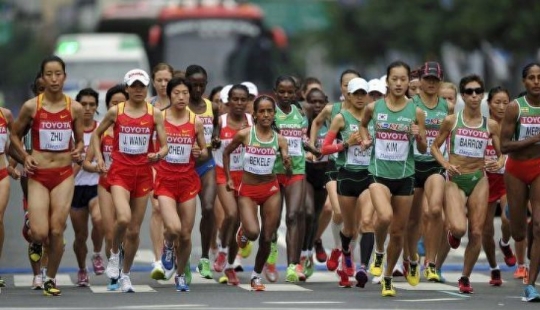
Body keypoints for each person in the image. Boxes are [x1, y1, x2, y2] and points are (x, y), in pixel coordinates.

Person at [10, 55, 85, 296]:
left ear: (65, 76)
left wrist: (79, 148)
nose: (53, 79)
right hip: (39, 175)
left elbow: (81, 140)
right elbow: (14, 135)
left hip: (63, 175)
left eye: (58, 74)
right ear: (42, 77)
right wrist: (24, 156)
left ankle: (50, 278)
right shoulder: (32, 106)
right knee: (40, 233)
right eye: (49, 74)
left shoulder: (75, 108)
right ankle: (35, 241)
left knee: (56, 230)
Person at [91, 69, 168, 293]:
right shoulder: (116, 111)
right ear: (127, 88)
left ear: (147, 88)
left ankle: (125, 274)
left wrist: (159, 154)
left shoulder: (155, 114)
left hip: (142, 175)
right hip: (120, 174)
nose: (138, 90)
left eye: (142, 86)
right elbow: (97, 134)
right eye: (133, 86)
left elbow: (164, 145)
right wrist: (98, 158)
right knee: (123, 218)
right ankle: (114, 255)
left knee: (134, 231)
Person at [359, 61, 427, 297]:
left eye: (403, 79)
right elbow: (362, 126)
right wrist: (366, 140)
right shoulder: (374, 107)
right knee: (385, 216)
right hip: (378, 172)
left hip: (405, 175)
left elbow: (424, 145)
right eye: (394, 79)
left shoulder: (416, 112)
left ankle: (387, 277)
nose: (398, 83)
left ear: (409, 82)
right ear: (387, 81)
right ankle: (378, 251)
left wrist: (418, 137)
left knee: (398, 232)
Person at [431, 74, 503, 294]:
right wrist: (445, 164)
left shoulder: (490, 125)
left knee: (477, 231)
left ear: (482, 95)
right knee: (460, 228)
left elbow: (502, 155)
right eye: (469, 91)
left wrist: (497, 162)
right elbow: (435, 146)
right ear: (463, 95)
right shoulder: (452, 120)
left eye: (478, 91)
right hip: (455, 179)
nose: (474, 95)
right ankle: (452, 233)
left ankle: (464, 277)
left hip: (479, 179)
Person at [226, 95, 291, 291]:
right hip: (248, 190)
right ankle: (243, 231)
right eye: (261, 111)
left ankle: (255, 276)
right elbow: (227, 152)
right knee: (253, 232)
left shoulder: (280, 139)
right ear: (254, 114)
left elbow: (288, 168)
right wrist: (229, 177)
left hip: (271, 189)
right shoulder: (245, 134)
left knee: (267, 236)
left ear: (274, 114)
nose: (265, 115)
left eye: (269, 111)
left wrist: (287, 164)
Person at [155, 77, 207, 292]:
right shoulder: (159, 117)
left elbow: (204, 151)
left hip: (187, 182)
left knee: (185, 234)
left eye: (185, 93)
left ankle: (180, 275)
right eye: (176, 93)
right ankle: (167, 245)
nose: (181, 97)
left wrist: (199, 151)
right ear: (169, 94)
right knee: (174, 228)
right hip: (165, 180)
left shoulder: (195, 121)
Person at [321, 78, 374, 288]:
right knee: (349, 229)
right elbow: (324, 149)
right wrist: (346, 144)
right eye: (356, 94)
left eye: (364, 93)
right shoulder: (341, 118)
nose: (361, 98)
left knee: (367, 222)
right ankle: (345, 252)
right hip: (347, 177)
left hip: (369, 177)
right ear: (348, 96)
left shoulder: (375, 117)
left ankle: (362, 267)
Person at [405, 62, 453, 285]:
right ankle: (411, 260)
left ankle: (431, 264)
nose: (431, 83)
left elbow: (450, 136)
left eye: (435, 80)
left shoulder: (446, 106)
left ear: (440, 81)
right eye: (428, 79)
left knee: (434, 210)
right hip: (413, 163)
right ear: (421, 81)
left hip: (435, 164)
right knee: (413, 219)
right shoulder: (410, 104)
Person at [309, 69, 361, 271]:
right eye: (347, 84)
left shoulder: (366, 112)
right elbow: (316, 122)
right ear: (341, 87)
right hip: (334, 166)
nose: (350, 88)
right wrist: (313, 146)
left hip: (358, 168)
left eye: (355, 84)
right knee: (336, 210)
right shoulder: (333, 109)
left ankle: (343, 253)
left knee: (353, 220)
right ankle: (339, 249)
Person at [500, 63, 540, 301]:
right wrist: (534, 139)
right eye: (532, 78)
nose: (537, 81)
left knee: (538, 225)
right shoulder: (516, 108)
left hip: (538, 168)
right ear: (524, 82)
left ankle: (531, 283)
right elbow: (504, 146)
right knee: (518, 233)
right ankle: (514, 213)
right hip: (516, 169)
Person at [82, 84, 128, 291]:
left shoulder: (136, 128)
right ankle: (114, 272)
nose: (118, 107)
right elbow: (86, 162)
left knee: (127, 228)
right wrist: (98, 167)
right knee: (109, 232)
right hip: (106, 183)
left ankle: (123, 270)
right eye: (114, 103)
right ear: (108, 106)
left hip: (129, 183)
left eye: (121, 103)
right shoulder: (100, 131)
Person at [212, 84, 252, 285]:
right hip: (223, 173)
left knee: (240, 224)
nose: (238, 103)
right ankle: (221, 248)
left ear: (247, 102)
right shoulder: (220, 121)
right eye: (235, 99)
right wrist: (214, 142)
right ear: (228, 102)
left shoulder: (252, 122)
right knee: (231, 214)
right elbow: (210, 142)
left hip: (246, 176)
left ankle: (229, 265)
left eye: (242, 99)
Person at [272, 75, 310, 283]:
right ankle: (270, 249)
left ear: (296, 92)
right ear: (275, 91)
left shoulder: (300, 113)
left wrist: (314, 149)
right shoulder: (270, 112)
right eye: (282, 91)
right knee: (274, 220)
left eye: (290, 92)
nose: (286, 95)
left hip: (297, 169)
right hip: (274, 171)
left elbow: (303, 139)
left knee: (294, 215)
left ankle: (292, 265)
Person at [185, 65, 220, 279]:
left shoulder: (211, 106)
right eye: (193, 85)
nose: (197, 89)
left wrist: (214, 138)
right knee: (185, 220)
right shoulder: (180, 107)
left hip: (207, 165)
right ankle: (183, 261)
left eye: (201, 85)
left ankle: (205, 258)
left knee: (208, 208)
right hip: (185, 166)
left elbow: (216, 126)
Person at [480, 86, 515, 287]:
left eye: (505, 102)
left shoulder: (514, 125)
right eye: (497, 102)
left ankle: (504, 243)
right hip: (486, 180)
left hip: (508, 180)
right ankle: (494, 268)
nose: (501, 107)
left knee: (507, 217)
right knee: (485, 231)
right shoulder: (482, 125)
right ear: (489, 104)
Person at [15, 72, 47, 289]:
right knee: (34, 231)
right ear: (35, 92)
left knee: (54, 231)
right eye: (41, 90)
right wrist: (19, 160)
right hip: (32, 179)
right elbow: (13, 141)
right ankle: (37, 274)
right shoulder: (29, 113)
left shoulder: (64, 113)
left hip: (57, 178)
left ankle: (46, 272)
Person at [70, 88, 104, 287]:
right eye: (84, 105)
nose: (88, 108)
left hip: (96, 185)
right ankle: (82, 268)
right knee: (80, 236)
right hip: (74, 187)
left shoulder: (101, 129)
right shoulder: (70, 130)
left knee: (99, 219)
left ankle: (98, 254)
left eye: (92, 105)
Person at [301, 88, 329, 280]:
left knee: (316, 217)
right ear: (306, 102)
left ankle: (309, 250)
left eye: (320, 102)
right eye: (313, 101)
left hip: (325, 172)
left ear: (326, 102)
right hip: (306, 172)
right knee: (308, 213)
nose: (317, 105)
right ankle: (303, 256)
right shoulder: (304, 123)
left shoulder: (332, 122)